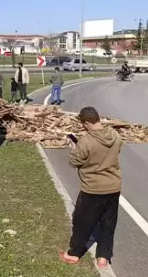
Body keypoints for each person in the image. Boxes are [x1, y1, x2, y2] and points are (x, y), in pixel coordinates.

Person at [59, 106, 123, 271]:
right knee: (108, 224)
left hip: (93, 189)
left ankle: (73, 254)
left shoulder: (87, 141)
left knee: (82, 222)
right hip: (113, 187)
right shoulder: (115, 135)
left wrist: (74, 148)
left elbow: (74, 162)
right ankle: (103, 257)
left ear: (87, 123)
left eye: (83, 124)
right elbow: (114, 152)